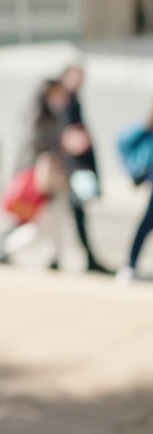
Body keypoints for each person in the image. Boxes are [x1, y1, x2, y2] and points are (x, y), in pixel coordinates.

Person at [0, 79, 74, 268]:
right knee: (37, 225)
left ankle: (54, 258)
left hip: (47, 177)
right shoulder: (40, 117)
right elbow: (36, 148)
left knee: (54, 222)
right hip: (40, 179)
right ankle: (4, 249)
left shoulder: (53, 116)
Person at [59, 63, 115, 274]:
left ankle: (85, 257)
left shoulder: (72, 100)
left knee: (72, 213)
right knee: (63, 213)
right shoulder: (65, 100)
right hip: (71, 167)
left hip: (74, 166)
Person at [116, 106, 153, 285]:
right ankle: (130, 264)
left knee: (146, 224)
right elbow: (122, 141)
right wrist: (134, 168)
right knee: (146, 224)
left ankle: (130, 264)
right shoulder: (145, 130)